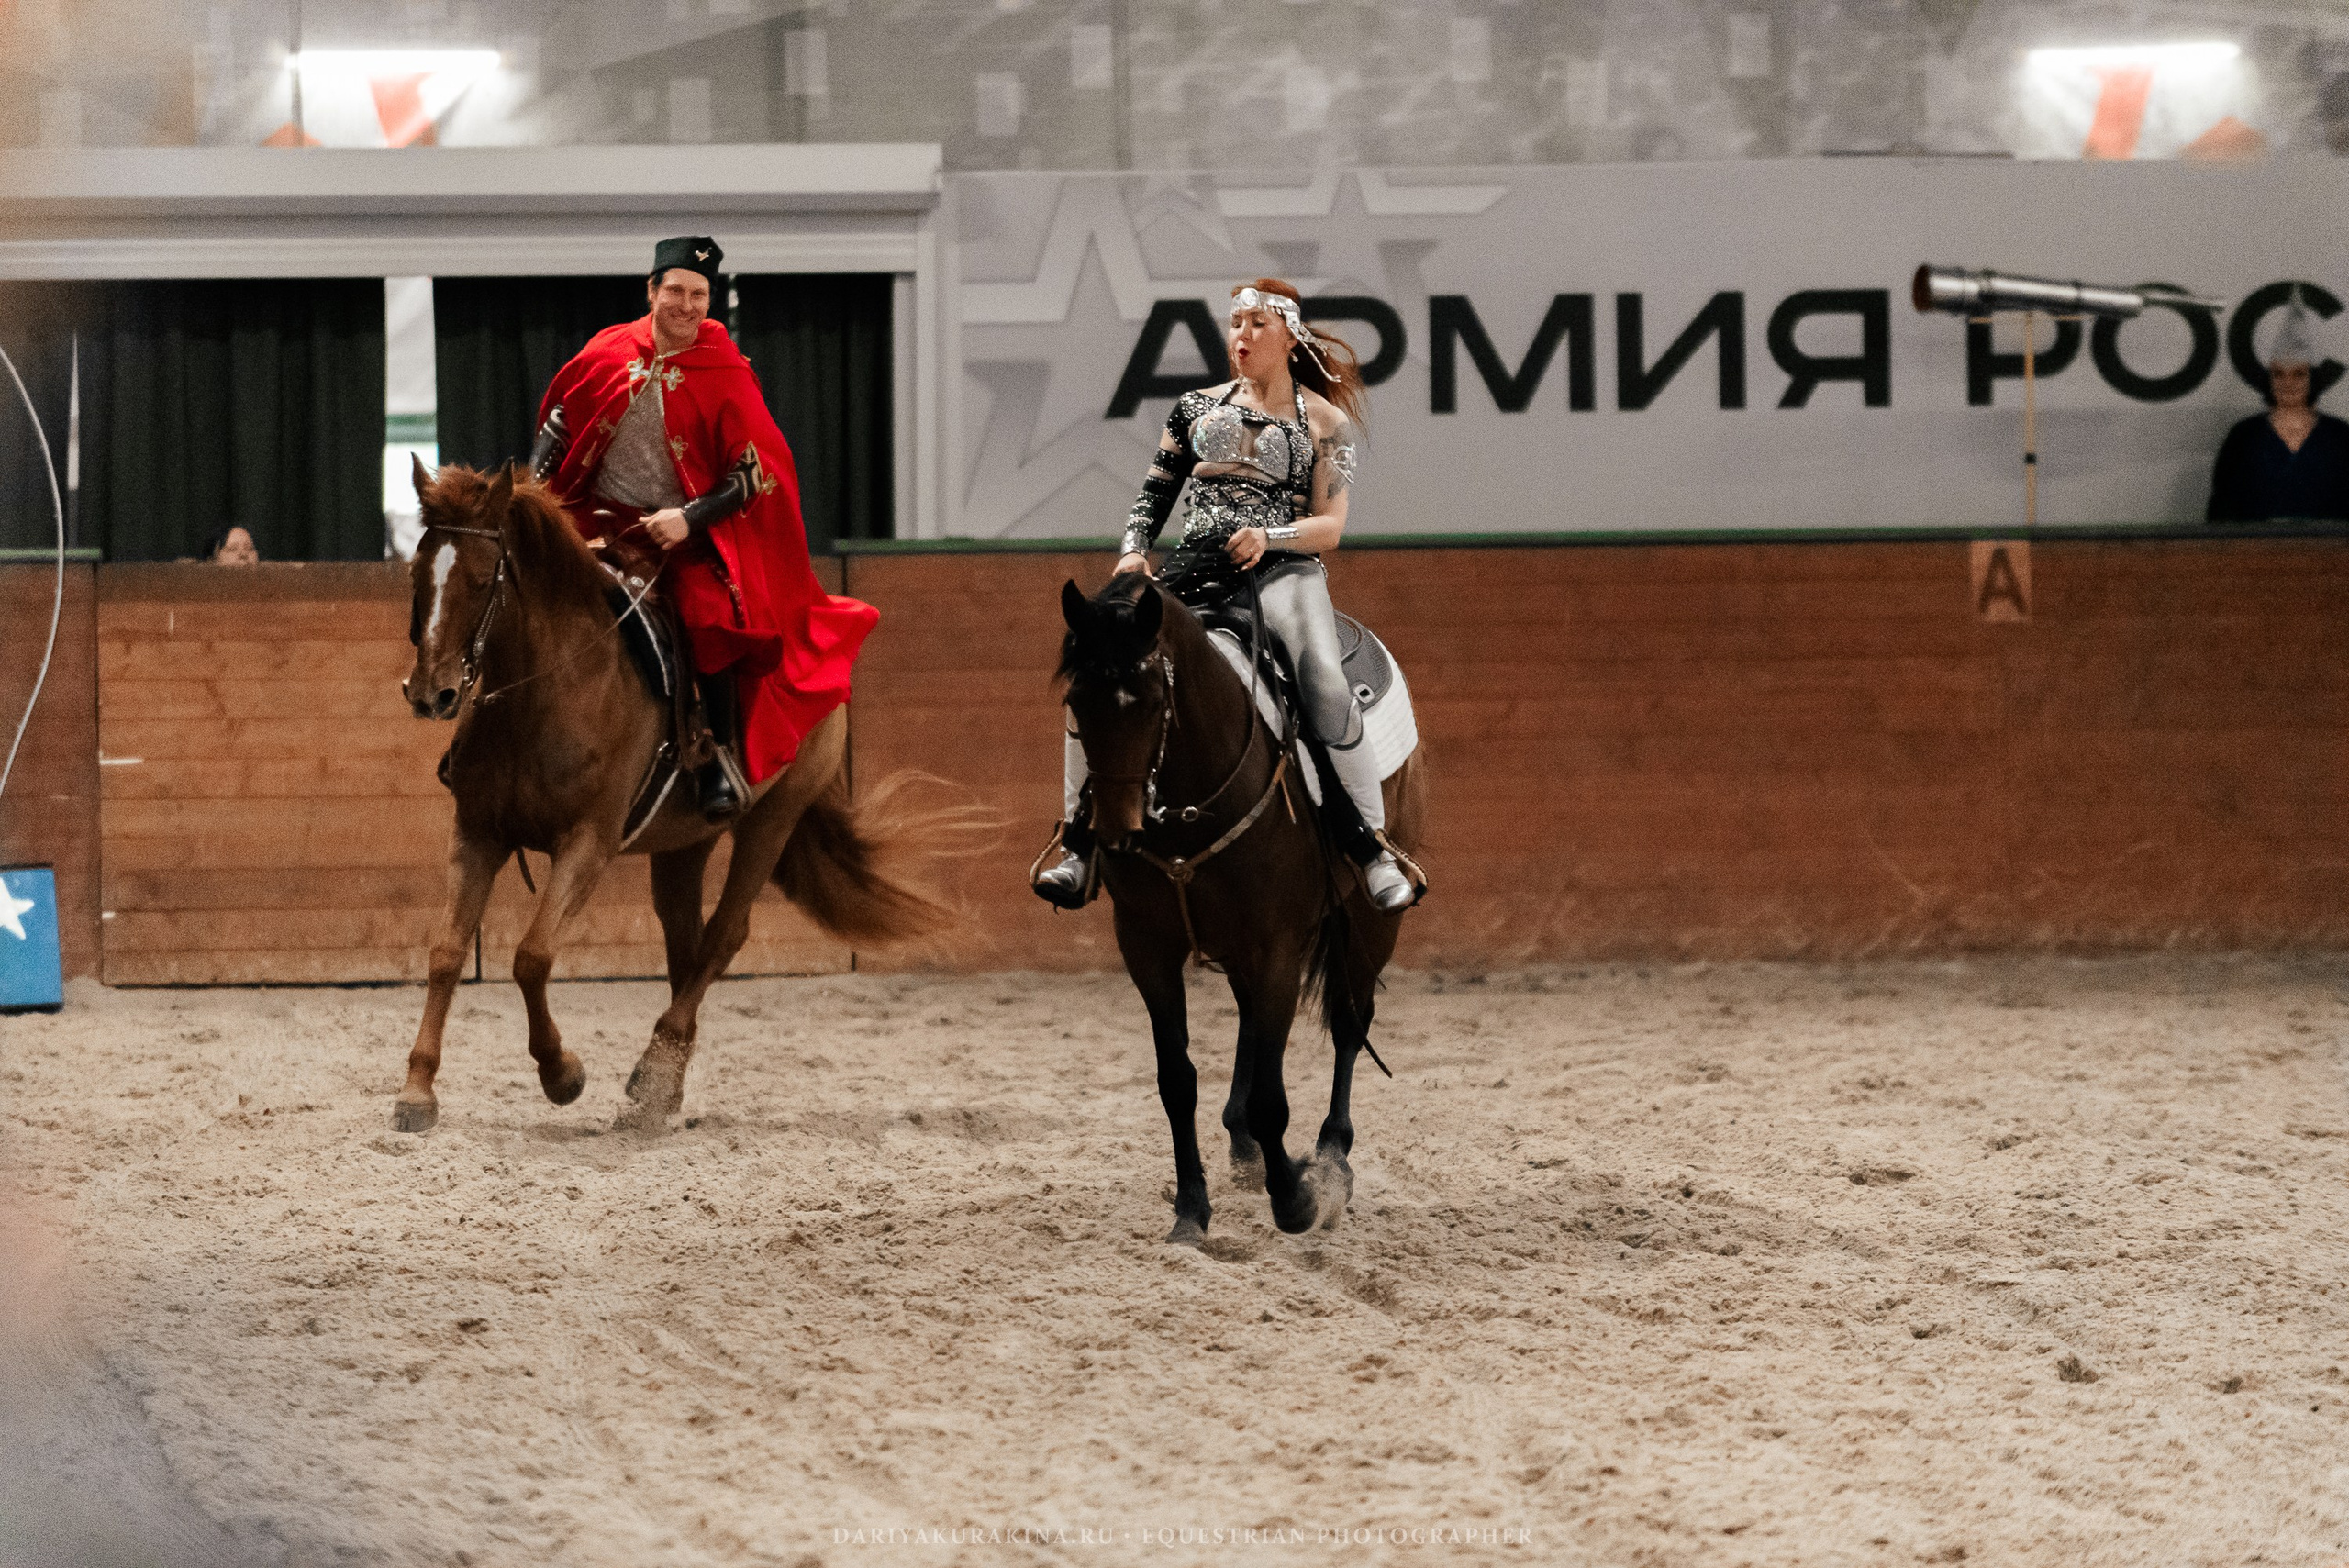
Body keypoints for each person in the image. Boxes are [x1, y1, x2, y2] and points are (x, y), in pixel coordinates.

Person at [1033, 277, 1419, 916]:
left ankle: (1369, 846)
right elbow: (1154, 495)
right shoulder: (1193, 408)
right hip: (1193, 570)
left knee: (1324, 681)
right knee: (1100, 671)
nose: (1242, 336)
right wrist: (1133, 549)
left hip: (1283, 574)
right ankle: (1077, 842)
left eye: (1258, 325)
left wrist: (1270, 537)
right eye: (1235, 323)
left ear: (1289, 336)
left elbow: (1331, 527)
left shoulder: (1328, 423)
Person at [526, 235, 879, 819]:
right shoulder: (609, 350)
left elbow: (753, 470)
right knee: (516, 587)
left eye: (699, 295)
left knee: (708, 614)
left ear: (710, 301)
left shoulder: (725, 370)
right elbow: (564, 419)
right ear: (651, 291)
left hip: (677, 532)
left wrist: (688, 519)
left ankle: (717, 753)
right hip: (596, 517)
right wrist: (532, 495)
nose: (687, 306)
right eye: (676, 292)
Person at [2207, 288, 2349, 523]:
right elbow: (2222, 509)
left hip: (2329, 546)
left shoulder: (2340, 436)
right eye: (2278, 374)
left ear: (2312, 379)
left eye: (2298, 374)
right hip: (2256, 546)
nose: (2288, 383)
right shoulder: (2243, 437)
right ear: (2269, 379)